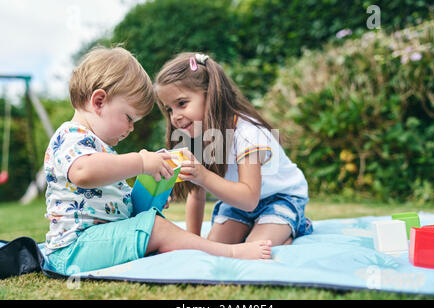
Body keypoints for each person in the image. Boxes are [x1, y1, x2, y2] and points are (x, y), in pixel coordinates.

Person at [43, 47, 272, 274]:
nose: (131, 129)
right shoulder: (71, 137)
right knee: (156, 228)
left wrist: (149, 197)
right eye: (129, 118)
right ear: (99, 101)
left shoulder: (99, 146)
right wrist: (140, 161)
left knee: (152, 221)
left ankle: (190, 246)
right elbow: (83, 172)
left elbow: (108, 202)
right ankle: (229, 253)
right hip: (74, 249)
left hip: (95, 242)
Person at [154, 52, 313, 247]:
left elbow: (249, 199)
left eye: (181, 104)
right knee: (215, 246)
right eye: (169, 109)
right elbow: (196, 193)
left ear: (210, 94)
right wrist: (193, 243)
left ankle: (296, 225)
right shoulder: (198, 136)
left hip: (280, 198)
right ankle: (264, 229)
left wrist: (202, 175)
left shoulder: (248, 134)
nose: (175, 116)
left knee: (256, 246)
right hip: (238, 205)